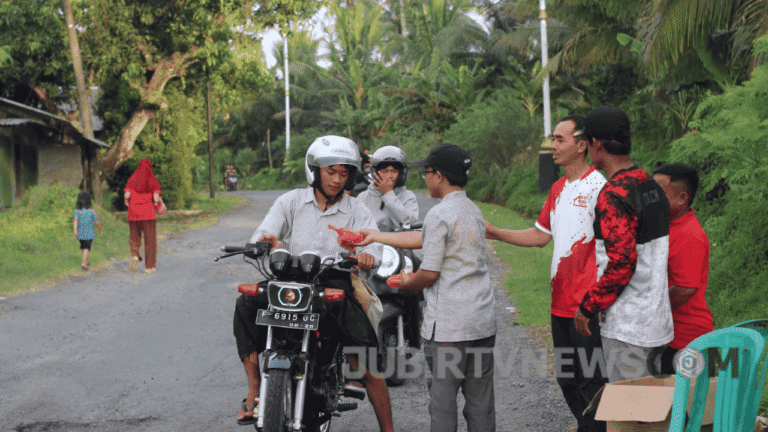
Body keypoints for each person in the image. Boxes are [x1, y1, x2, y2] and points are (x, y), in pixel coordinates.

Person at [232, 135, 394, 431]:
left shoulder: (357, 210)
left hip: (334, 283)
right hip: (289, 281)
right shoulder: (290, 201)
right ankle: (254, 390)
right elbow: (265, 232)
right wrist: (264, 243)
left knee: (368, 360)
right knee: (245, 304)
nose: (336, 179)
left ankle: (388, 427)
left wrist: (368, 256)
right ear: (315, 170)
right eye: (331, 172)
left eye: (343, 173)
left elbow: (373, 243)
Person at [347, 143, 497, 432]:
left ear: (439, 176)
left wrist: (407, 284)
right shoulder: (473, 210)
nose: (425, 178)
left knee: (443, 405)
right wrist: (374, 235)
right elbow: (420, 237)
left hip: (450, 329)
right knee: (481, 404)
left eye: (426, 172)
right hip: (482, 323)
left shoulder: (439, 214)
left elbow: (428, 273)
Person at [485, 114, 607, 432]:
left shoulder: (600, 187)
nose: (552, 145)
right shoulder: (557, 189)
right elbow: (540, 235)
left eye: (559, 139)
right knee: (567, 377)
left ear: (582, 145)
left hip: (588, 307)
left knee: (591, 381)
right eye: (552, 139)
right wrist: (496, 232)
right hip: (559, 305)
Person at [573, 106, 674, 383]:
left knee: (629, 416)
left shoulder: (614, 195)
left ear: (596, 145)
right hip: (657, 322)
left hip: (628, 329)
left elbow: (622, 263)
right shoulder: (652, 187)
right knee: (653, 415)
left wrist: (588, 306)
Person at [652, 163, 713, 374]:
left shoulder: (689, 235)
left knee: (681, 405)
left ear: (682, 198)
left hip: (686, 340)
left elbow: (685, 288)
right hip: (669, 334)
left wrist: (650, 311)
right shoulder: (668, 226)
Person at [356, 145, 419, 232]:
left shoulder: (408, 196)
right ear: (375, 172)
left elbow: (409, 222)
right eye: (384, 171)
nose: (389, 176)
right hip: (371, 243)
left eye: (394, 171)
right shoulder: (364, 197)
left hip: (398, 243)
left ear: (401, 173)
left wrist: (388, 194)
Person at [124, 159, 166, 274]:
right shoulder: (152, 180)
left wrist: (130, 204)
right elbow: (156, 199)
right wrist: (158, 202)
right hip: (148, 214)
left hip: (133, 214)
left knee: (134, 236)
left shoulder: (132, 179)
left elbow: (126, 196)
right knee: (150, 240)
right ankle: (149, 267)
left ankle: (135, 254)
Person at [73, 192, 104, 271]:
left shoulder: (77, 211)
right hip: (89, 234)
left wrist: (75, 230)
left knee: (84, 247)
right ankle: (83, 264)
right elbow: (97, 222)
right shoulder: (92, 211)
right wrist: (100, 231)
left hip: (80, 234)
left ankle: (86, 260)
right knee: (86, 248)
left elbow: (75, 221)